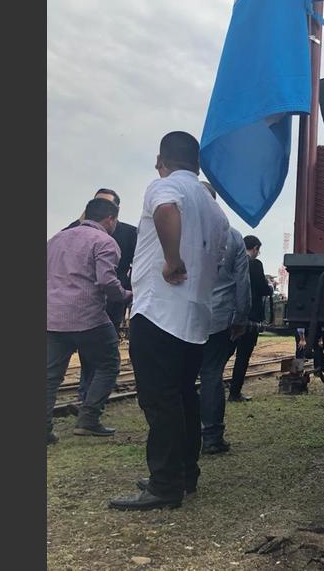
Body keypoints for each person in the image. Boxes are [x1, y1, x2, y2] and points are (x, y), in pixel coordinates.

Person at [109, 131, 229, 511]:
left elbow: (165, 209)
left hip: (159, 311)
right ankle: (184, 473)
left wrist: (172, 258)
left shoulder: (163, 187)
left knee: (160, 401)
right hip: (195, 318)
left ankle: (164, 485)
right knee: (183, 397)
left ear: (162, 161)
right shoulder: (215, 210)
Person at [47, 197, 132, 443]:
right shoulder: (105, 241)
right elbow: (106, 281)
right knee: (109, 364)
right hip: (88, 317)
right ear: (110, 219)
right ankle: (89, 419)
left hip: (52, 317)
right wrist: (126, 295)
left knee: (50, 376)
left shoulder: (55, 240)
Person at [64, 188, 137, 403]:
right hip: (81, 298)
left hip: (113, 300)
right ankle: (86, 395)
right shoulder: (74, 231)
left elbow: (139, 263)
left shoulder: (129, 233)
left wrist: (128, 292)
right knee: (83, 349)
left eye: (106, 203)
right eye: (96, 203)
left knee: (106, 349)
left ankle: (92, 396)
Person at [198, 182, 250, 454]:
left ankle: (185, 435)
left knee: (181, 377)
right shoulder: (233, 236)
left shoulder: (176, 229)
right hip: (218, 318)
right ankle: (212, 436)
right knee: (211, 375)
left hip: (182, 316)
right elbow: (242, 283)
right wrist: (241, 318)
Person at [225, 235, 274, 402]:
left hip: (228, 316)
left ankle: (210, 388)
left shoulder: (231, 262)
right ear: (255, 249)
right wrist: (270, 287)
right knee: (242, 357)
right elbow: (261, 288)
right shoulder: (255, 264)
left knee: (222, 355)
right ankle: (234, 392)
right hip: (249, 318)